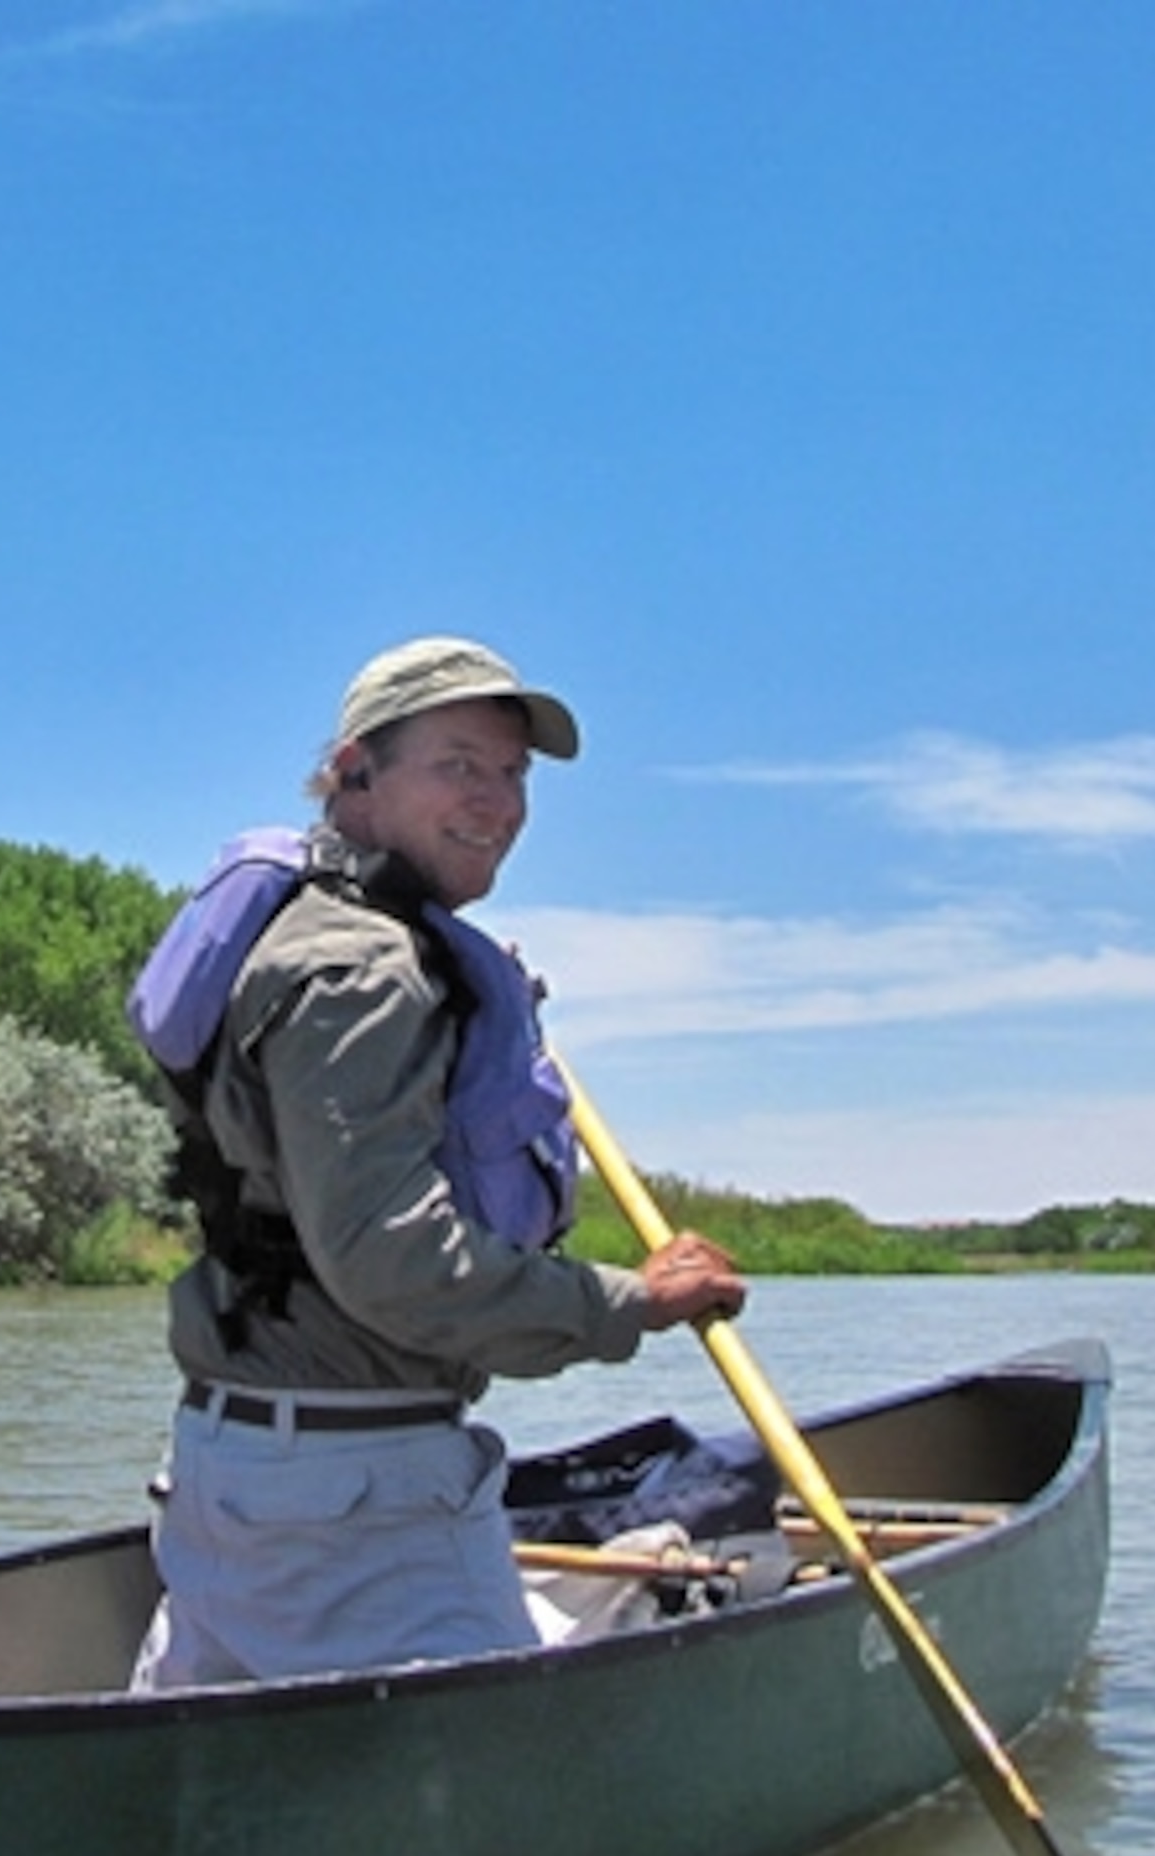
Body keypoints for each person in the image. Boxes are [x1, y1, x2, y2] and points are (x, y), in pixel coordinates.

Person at [125, 633, 748, 1689]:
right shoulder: (363, 968)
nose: (499, 804)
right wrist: (628, 1301)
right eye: (460, 764)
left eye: (512, 775)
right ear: (354, 771)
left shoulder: (319, 921)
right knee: (511, 1793)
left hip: (241, 1469)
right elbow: (392, 1258)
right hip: (354, 1492)